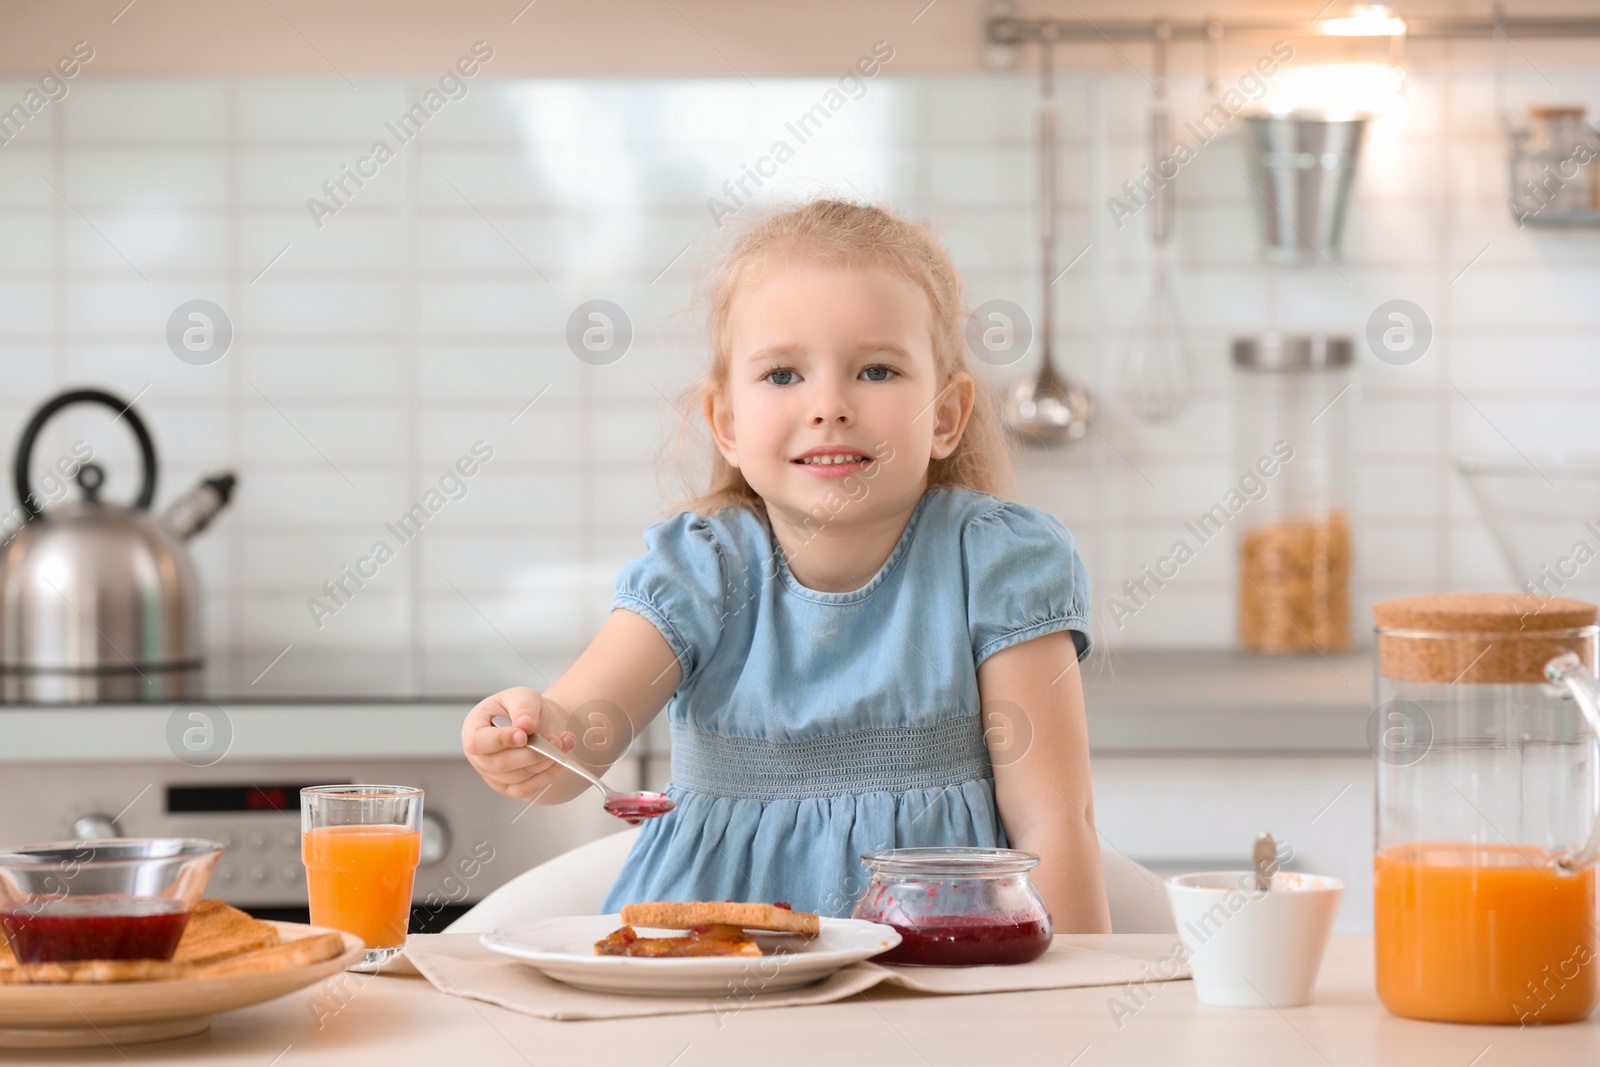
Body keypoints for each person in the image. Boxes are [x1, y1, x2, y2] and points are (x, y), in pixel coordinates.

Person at [462, 199, 1110, 931]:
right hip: (705, 972)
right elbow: (581, 732)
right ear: (728, 424)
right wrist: (533, 735)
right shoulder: (702, 567)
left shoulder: (996, 562)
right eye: (781, 375)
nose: (829, 404)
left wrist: (1080, 1008)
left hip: (933, 977)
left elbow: (1055, 825)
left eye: (876, 369)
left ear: (945, 415)